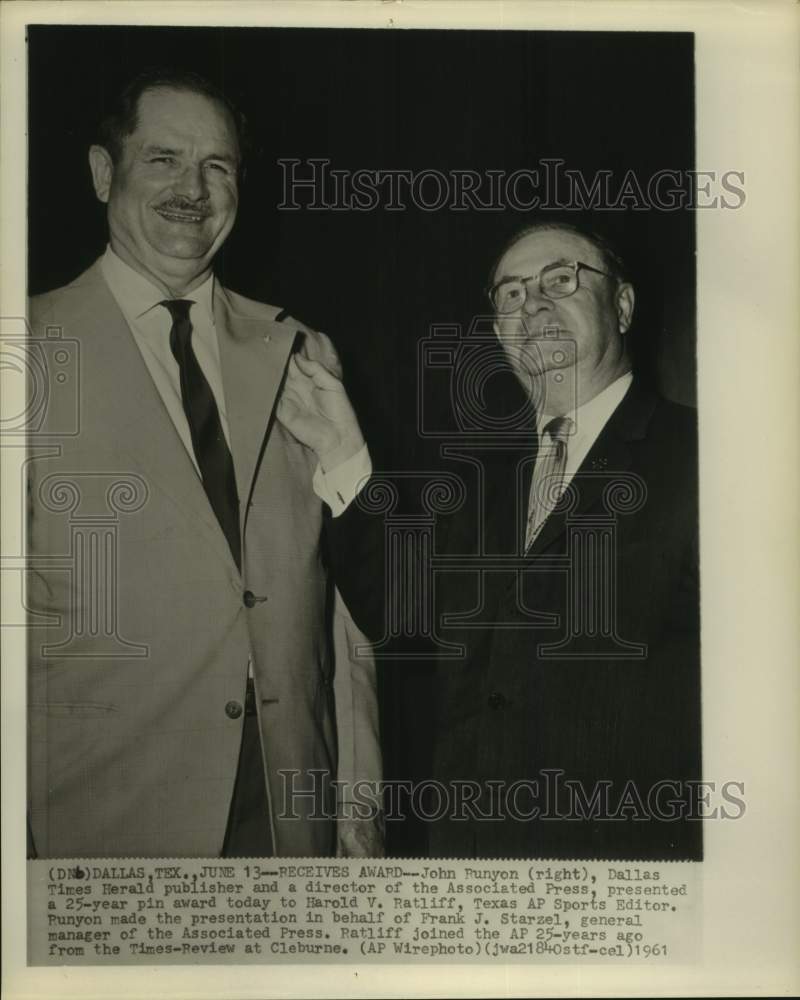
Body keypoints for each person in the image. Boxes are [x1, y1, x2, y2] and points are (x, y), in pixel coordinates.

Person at [27, 69, 381, 859]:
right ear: (100, 172)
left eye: (217, 166)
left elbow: (343, 620)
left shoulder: (300, 351)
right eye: (163, 160)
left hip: (293, 821)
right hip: (99, 829)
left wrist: (357, 818)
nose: (193, 189)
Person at [288, 219, 701, 860]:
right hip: (473, 876)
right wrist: (342, 450)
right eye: (509, 294)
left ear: (621, 306)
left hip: (628, 886)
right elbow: (403, 612)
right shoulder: (485, 482)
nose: (532, 303)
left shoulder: (710, 457)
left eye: (560, 279)